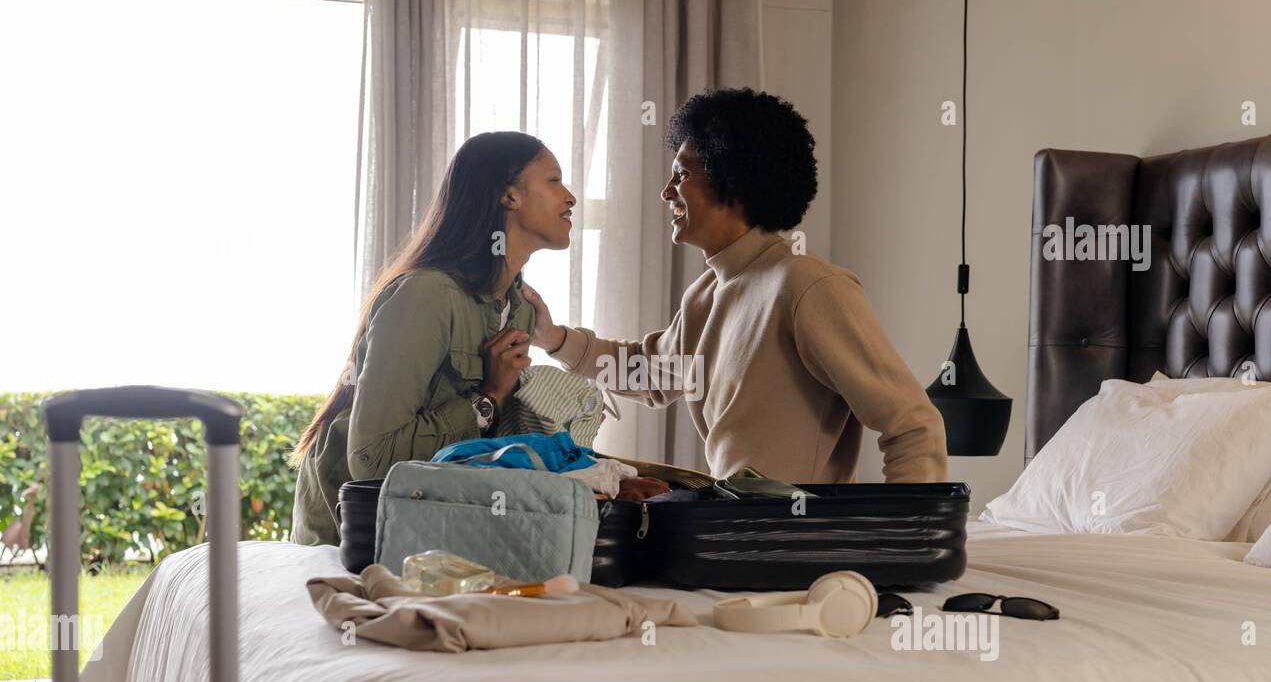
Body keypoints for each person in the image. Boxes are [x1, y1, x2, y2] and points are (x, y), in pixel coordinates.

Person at [524, 88, 947, 484]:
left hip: (796, 543)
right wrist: (554, 338)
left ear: (734, 180)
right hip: (736, 533)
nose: (666, 192)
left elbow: (912, 425)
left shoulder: (810, 286)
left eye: (681, 174)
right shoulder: (706, 295)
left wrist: (901, 548)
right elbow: (648, 372)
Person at [288, 131, 575, 545]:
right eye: (554, 180)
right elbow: (372, 459)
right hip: (348, 540)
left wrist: (559, 425)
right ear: (509, 196)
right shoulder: (427, 296)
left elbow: (478, 451)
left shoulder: (522, 308)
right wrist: (488, 399)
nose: (571, 198)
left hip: (429, 532)